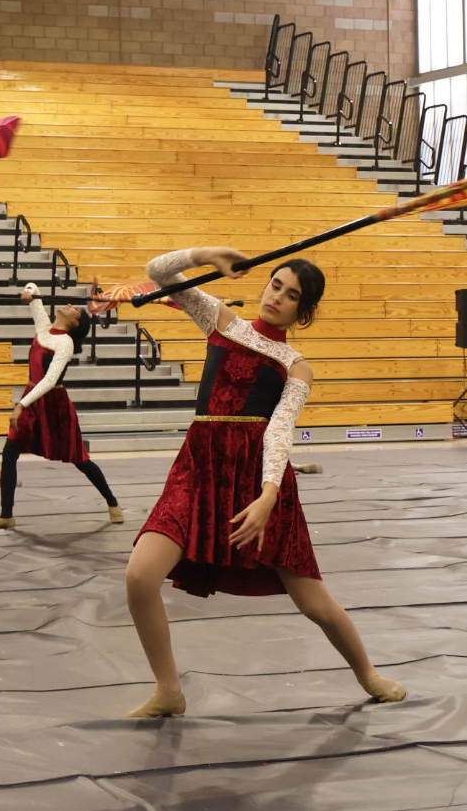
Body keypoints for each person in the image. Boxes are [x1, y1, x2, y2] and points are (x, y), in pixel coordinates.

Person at [123, 247, 405, 718]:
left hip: (259, 480)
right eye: (275, 284)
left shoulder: (296, 366)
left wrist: (268, 496)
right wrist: (209, 255)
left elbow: (278, 432)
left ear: (304, 311)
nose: (277, 297)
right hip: (200, 468)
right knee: (139, 576)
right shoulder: (221, 320)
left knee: (313, 602)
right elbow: (157, 271)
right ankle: (169, 690)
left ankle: (368, 675)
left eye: (292, 295)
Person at [0, 282, 120, 530]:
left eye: (75, 310)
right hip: (32, 398)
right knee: (10, 453)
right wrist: (29, 293)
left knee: (79, 459)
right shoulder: (45, 329)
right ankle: (6, 515)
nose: (70, 306)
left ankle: (112, 502)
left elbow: (49, 380)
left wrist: (20, 405)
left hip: (53, 405)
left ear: (75, 324)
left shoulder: (65, 343)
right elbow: (34, 290)